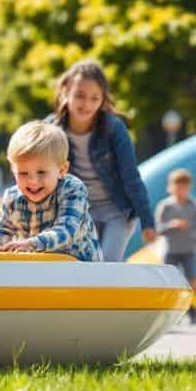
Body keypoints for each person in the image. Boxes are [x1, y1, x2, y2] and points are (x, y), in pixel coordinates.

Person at [46, 60, 157, 261]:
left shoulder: (114, 129)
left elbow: (131, 177)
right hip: (79, 210)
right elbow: (41, 172)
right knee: (85, 263)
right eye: (79, 95)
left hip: (116, 210)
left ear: (103, 99)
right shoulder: (52, 130)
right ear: (66, 92)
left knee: (108, 263)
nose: (86, 104)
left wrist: (148, 223)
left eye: (94, 98)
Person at [0, 121, 100, 261]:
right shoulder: (12, 197)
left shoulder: (72, 189)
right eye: (23, 173)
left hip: (78, 266)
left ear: (62, 170)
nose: (32, 181)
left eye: (41, 172)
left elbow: (66, 231)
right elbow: (1, 231)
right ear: (13, 170)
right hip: (39, 264)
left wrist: (32, 243)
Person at [155, 168, 196, 322]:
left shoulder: (192, 205)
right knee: (168, 281)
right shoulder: (165, 206)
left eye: (185, 187)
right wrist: (172, 225)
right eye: (178, 187)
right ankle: (168, 313)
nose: (181, 191)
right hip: (171, 250)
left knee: (192, 281)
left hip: (188, 249)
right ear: (171, 187)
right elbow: (158, 229)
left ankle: (193, 312)